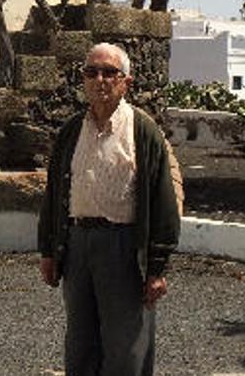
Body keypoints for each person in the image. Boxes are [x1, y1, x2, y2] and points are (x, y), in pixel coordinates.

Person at [37, 42, 182, 376]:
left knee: (126, 345)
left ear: (126, 82)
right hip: (77, 246)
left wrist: (157, 267)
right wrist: (48, 250)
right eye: (91, 72)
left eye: (109, 72)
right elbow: (55, 192)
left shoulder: (143, 131)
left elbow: (163, 202)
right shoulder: (72, 130)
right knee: (81, 341)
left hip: (123, 245)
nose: (99, 79)